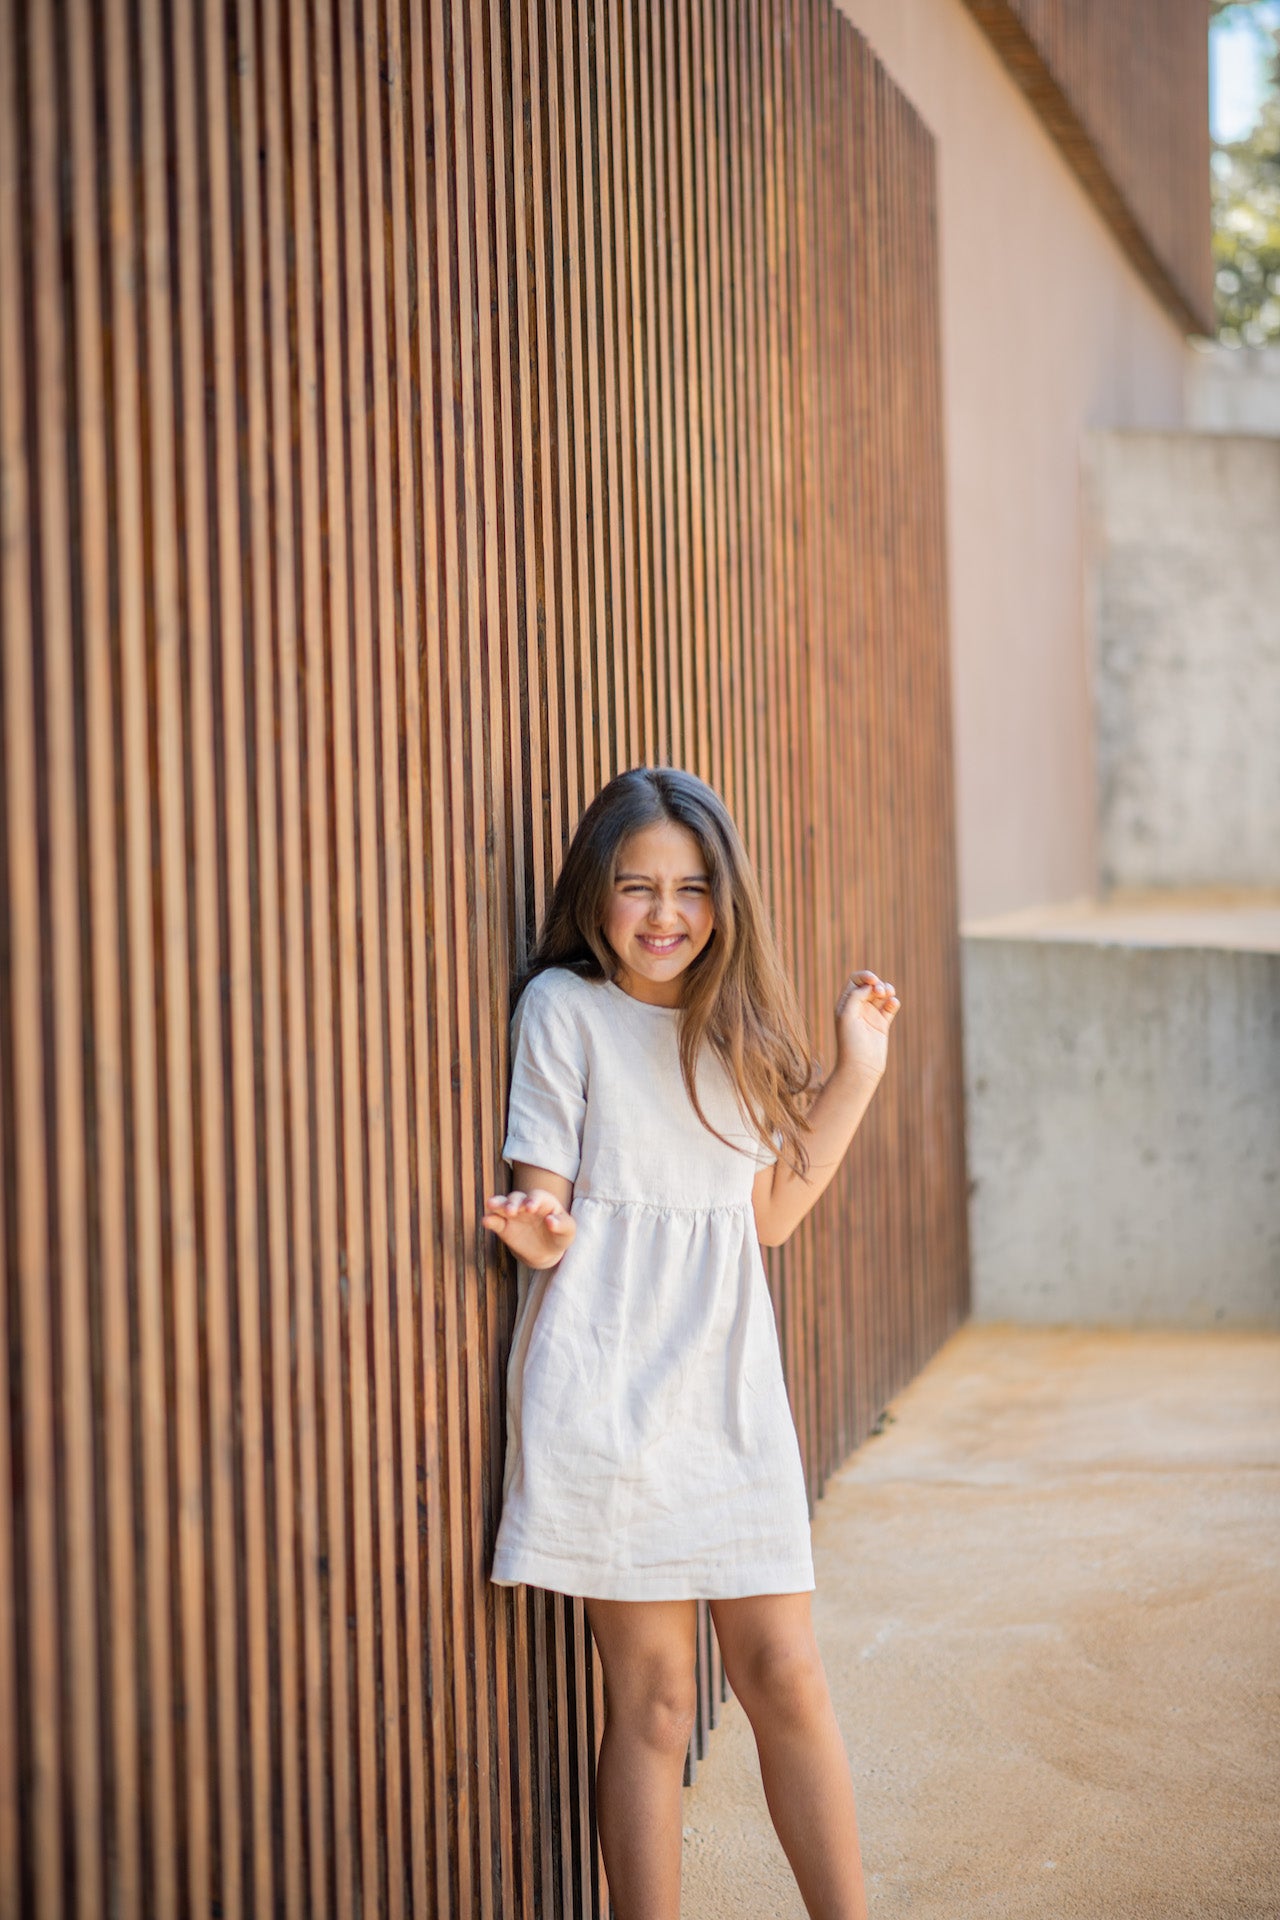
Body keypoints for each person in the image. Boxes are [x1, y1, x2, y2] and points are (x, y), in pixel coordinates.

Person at [482, 766, 900, 1920]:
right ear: (592, 895)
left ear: (724, 900)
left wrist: (853, 1072)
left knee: (785, 1673)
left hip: (726, 1393)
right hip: (609, 1385)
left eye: (689, 888)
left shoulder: (735, 1029)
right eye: (635, 887)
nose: (663, 914)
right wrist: (537, 1232)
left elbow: (762, 1214)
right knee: (656, 1702)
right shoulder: (563, 1014)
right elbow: (544, 1195)